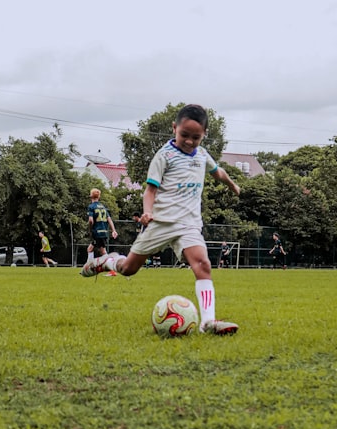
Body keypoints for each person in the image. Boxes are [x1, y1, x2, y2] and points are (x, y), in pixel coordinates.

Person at [81, 104, 241, 335]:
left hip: (189, 225)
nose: (189, 141)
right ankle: (108, 261)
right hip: (161, 223)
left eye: (196, 137)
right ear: (174, 128)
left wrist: (232, 185)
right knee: (128, 269)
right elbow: (150, 191)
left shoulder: (202, 155)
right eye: (184, 135)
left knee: (203, 265)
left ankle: (208, 323)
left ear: (204, 134)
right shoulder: (164, 156)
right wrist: (147, 212)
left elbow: (218, 172)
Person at [86, 188, 118, 276]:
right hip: (103, 231)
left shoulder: (91, 207)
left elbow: (91, 220)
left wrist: (90, 229)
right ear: (99, 197)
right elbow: (109, 219)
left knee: (103, 252)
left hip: (97, 232)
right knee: (90, 249)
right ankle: (89, 268)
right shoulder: (102, 206)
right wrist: (113, 230)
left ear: (91, 196)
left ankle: (112, 269)